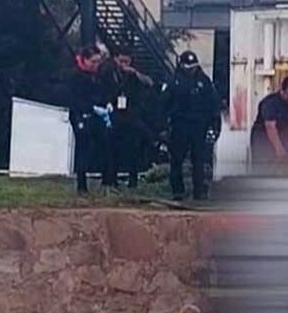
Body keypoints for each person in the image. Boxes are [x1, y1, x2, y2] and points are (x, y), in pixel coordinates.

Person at [165, 51, 220, 202]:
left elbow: (213, 104)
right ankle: (178, 191)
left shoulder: (204, 81)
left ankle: (199, 191)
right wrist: (164, 127)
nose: (191, 70)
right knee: (177, 160)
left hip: (199, 126)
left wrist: (214, 125)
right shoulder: (173, 81)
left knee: (199, 160)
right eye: (188, 67)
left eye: (193, 66)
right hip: (179, 126)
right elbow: (164, 104)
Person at [70, 45, 115, 194]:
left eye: (98, 62)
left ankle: (107, 182)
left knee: (106, 146)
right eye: (93, 62)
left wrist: (107, 103)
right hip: (81, 115)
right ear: (85, 60)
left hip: (97, 116)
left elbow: (103, 92)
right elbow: (74, 100)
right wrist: (91, 108)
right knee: (84, 148)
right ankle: (81, 186)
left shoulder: (98, 76)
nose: (96, 65)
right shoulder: (76, 76)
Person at [108, 51, 155, 189]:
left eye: (126, 62)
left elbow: (149, 82)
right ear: (115, 59)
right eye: (121, 61)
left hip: (131, 115)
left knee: (133, 149)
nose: (123, 65)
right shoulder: (109, 72)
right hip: (115, 114)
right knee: (113, 149)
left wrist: (134, 73)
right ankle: (112, 179)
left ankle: (132, 180)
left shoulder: (134, 75)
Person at [249, 74, 288, 170]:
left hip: (285, 143)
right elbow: (270, 127)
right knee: (263, 173)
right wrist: (280, 150)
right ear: (282, 90)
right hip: (263, 143)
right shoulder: (270, 103)